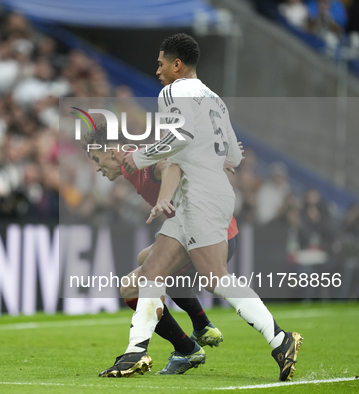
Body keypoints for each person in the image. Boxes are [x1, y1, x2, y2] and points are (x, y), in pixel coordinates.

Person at [102, 33, 302, 381]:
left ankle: (280, 338)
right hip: (205, 192)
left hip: (200, 196)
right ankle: (135, 352)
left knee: (214, 278)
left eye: (162, 63)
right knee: (149, 274)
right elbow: (235, 156)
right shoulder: (214, 99)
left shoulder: (173, 91)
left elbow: (180, 135)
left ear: (177, 65)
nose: (158, 70)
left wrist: (138, 156)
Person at [83, 125, 241, 375]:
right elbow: (179, 154)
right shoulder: (137, 159)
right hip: (210, 232)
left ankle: (185, 349)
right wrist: (215, 160)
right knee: (146, 258)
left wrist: (163, 199)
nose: (96, 167)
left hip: (207, 236)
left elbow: (169, 164)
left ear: (112, 152)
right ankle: (201, 326)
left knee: (133, 286)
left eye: (96, 158)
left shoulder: (136, 163)